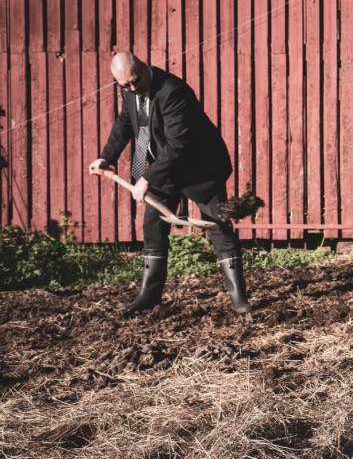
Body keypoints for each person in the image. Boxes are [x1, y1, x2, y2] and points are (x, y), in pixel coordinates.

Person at [88, 52, 252, 314]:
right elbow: (126, 122)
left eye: (135, 81)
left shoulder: (173, 91)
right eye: (125, 85)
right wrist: (107, 157)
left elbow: (180, 144)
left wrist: (146, 179)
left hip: (201, 167)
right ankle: (148, 296)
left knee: (217, 225)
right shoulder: (129, 90)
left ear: (143, 65)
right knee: (153, 225)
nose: (132, 88)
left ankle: (239, 299)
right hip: (166, 168)